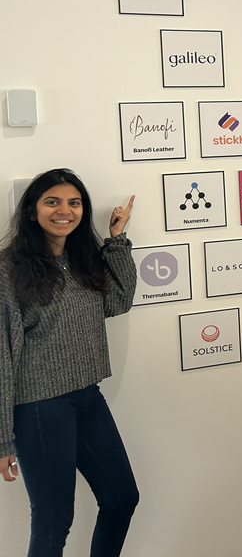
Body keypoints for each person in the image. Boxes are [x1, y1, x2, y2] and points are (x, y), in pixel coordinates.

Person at [0, 168, 139, 557]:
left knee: (122, 498)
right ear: (32, 210)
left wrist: (116, 242)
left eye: (74, 203)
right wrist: (2, 436)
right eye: (53, 202)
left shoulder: (82, 260)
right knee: (53, 519)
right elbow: (1, 354)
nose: (65, 211)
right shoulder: (8, 270)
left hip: (87, 397)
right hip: (39, 407)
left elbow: (118, 301)